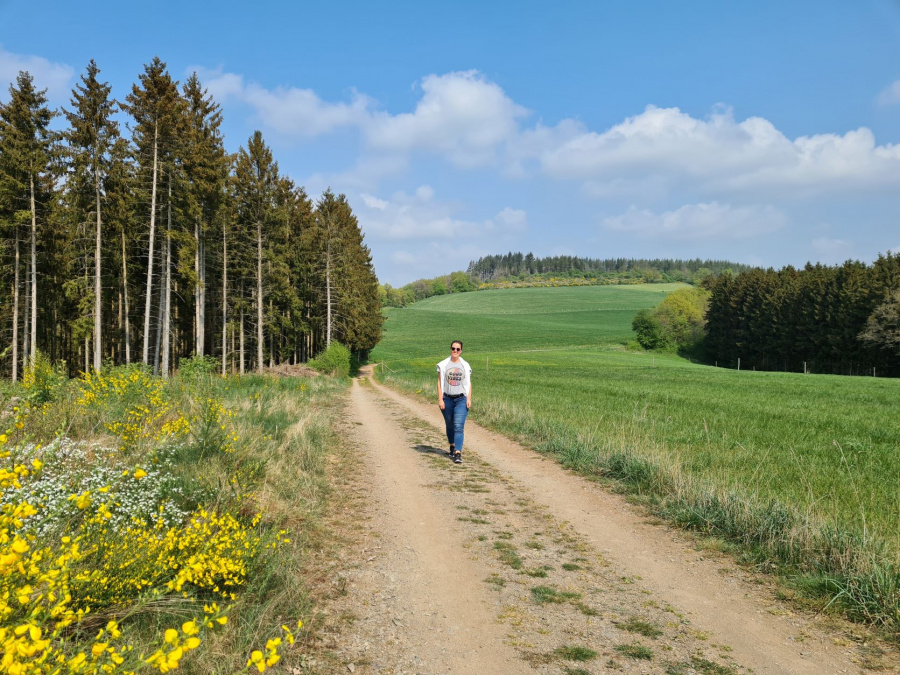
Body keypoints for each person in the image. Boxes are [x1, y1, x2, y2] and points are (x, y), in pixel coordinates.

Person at [436, 340, 472, 464]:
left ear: (461, 351)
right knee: (450, 425)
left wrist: (469, 398)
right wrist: (440, 399)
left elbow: (469, 383)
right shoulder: (444, 365)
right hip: (447, 399)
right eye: (453, 348)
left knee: (458, 425)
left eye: (457, 349)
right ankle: (452, 444)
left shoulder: (465, 366)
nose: (455, 351)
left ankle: (458, 452)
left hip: (461, 399)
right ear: (450, 349)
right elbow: (439, 383)